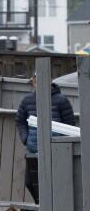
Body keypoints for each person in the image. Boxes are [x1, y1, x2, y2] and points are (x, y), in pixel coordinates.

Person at [15, 74, 76, 202]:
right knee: (30, 182)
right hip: (33, 151)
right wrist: (25, 139)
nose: (39, 84)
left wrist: (61, 144)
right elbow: (20, 121)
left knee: (55, 183)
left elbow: (70, 125)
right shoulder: (27, 100)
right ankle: (41, 208)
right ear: (33, 83)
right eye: (36, 81)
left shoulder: (61, 100)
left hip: (56, 151)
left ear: (50, 81)